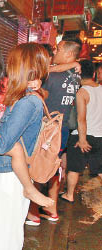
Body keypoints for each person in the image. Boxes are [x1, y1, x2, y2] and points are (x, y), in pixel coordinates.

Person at [0, 42, 50, 250]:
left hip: (9, 177)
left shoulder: (28, 102)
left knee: (3, 236)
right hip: (1, 170)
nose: (7, 67)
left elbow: (3, 143)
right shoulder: (20, 95)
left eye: (12, 63)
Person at [27, 37, 82, 224]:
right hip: (62, 129)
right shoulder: (75, 75)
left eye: (58, 49)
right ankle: (52, 210)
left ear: (68, 54)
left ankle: (34, 213)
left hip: (46, 130)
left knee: (37, 168)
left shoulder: (51, 76)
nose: (55, 53)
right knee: (53, 170)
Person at [60, 60, 102, 203]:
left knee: (74, 168)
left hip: (82, 135)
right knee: (100, 168)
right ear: (94, 74)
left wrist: (82, 139)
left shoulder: (82, 92)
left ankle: (69, 195)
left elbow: (81, 119)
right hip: (99, 136)